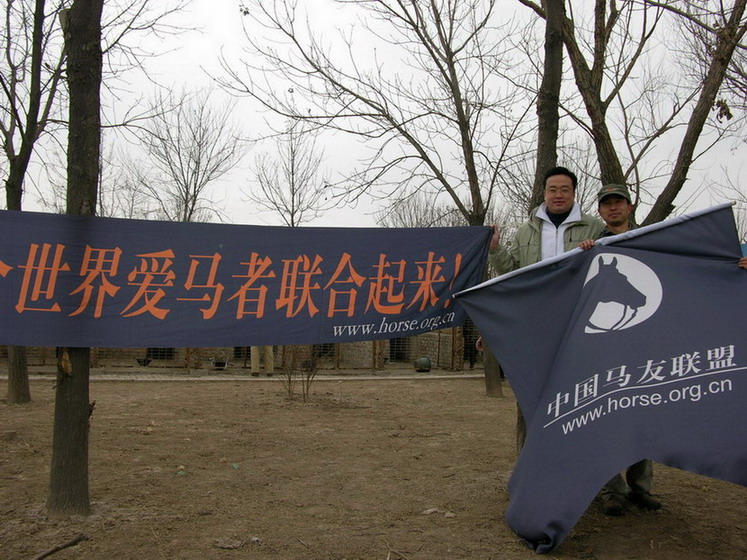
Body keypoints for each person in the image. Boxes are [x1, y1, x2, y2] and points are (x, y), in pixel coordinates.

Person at [483, 167, 605, 448]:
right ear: (544, 193)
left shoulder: (593, 227)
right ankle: (531, 466)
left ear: (574, 193)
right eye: (553, 189)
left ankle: (578, 464)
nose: (558, 195)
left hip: (580, 323)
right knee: (532, 394)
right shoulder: (526, 230)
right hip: (536, 324)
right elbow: (512, 271)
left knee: (581, 394)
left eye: (565, 189)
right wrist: (495, 249)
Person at [579, 184, 661, 516]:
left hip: (643, 344)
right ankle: (611, 489)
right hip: (603, 348)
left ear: (630, 207)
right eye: (606, 204)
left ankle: (641, 487)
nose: (613, 209)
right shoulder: (590, 246)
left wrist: (733, 264)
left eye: (618, 203)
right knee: (605, 417)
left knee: (642, 413)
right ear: (600, 211)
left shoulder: (654, 241)